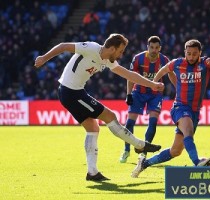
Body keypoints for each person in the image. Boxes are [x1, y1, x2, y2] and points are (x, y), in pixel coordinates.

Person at [34, 33, 163, 182]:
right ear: (113, 48)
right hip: (71, 92)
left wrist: (153, 84)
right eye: (121, 51)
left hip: (74, 92)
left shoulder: (107, 60)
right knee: (110, 116)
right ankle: (139, 145)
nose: (121, 55)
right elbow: (63, 46)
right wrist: (44, 58)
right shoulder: (91, 48)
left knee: (93, 128)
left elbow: (129, 75)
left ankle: (92, 173)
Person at [131, 39, 210, 178]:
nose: (191, 56)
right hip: (180, 107)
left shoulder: (205, 63)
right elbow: (163, 70)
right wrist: (153, 84)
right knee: (188, 131)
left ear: (200, 53)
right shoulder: (178, 63)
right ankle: (197, 162)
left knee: (175, 151)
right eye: (189, 53)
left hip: (195, 111)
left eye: (195, 54)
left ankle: (144, 164)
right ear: (185, 53)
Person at [119, 36, 170, 163]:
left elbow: (171, 75)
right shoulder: (138, 58)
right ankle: (126, 150)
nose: (154, 50)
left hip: (155, 94)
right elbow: (130, 76)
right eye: (151, 47)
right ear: (147, 47)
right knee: (130, 123)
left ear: (160, 48)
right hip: (138, 93)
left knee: (153, 122)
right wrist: (129, 94)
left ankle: (144, 152)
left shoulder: (164, 60)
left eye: (156, 48)